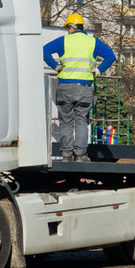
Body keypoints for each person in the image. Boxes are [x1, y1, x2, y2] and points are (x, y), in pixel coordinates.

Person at [43, 13, 115, 162]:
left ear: (71, 28)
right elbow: (110, 56)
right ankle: (80, 155)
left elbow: (44, 51)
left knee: (65, 121)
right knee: (82, 120)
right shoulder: (93, 42)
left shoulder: (63, 41)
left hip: (65, 87)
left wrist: (55, 67)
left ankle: (66, 155)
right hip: (84, 87)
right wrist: (98, 70)